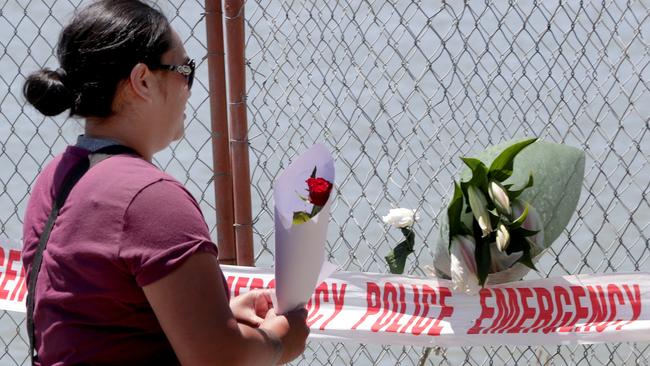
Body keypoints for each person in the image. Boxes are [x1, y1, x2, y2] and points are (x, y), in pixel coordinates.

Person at [21, 0, 309, 364]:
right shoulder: (149, 197)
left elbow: (95, 318)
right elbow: (219, 359)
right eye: (184, 69)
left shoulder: (56, 176)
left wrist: (217, 313)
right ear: (142, 80)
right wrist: (282, 338)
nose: (189, 86)